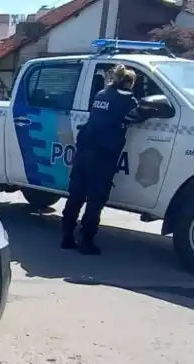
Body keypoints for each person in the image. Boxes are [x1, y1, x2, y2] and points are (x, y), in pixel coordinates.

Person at [61, 64, 145, 255]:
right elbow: (136, 116)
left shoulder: (101, 94)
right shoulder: (127, 99)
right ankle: (86, 240)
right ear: (129, 82)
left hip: (83, 151)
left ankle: (66, 237)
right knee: (96, 199)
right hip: (102, 155)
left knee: (76, 195)